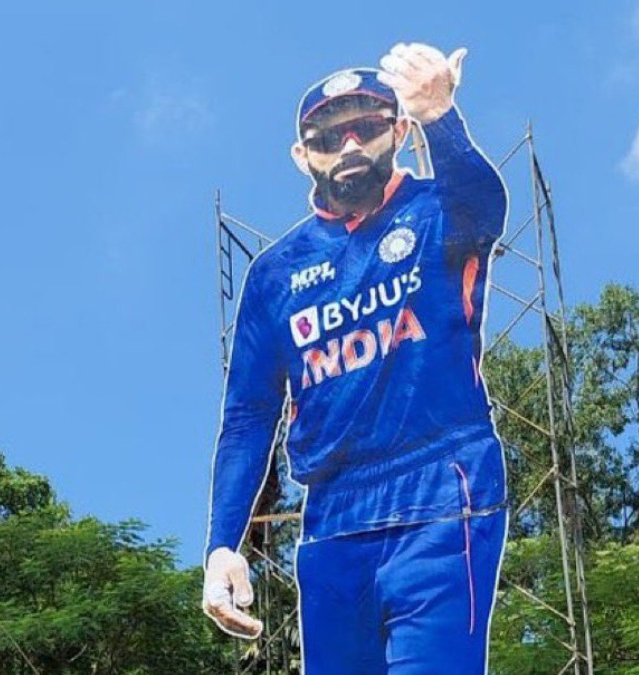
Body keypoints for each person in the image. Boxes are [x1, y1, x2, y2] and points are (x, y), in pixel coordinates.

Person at [204, 42, 510, 674]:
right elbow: (248, 418)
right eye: (327, 137)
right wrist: (222, 546)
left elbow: (486, 205)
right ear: (301, 155)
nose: (348, 147)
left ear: (396, 131)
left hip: (442, 487)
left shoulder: (436, 210)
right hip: (332, 518)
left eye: (366, 129)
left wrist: (440, 117)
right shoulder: (274, 275)